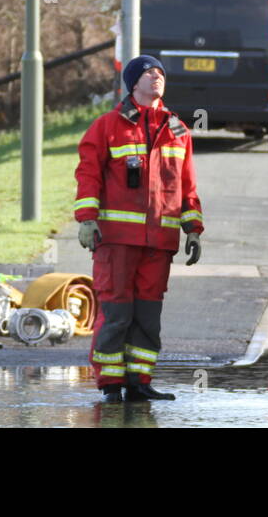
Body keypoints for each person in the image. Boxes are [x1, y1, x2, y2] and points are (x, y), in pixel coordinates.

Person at [73, 55, 204, 403]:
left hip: (159, 242)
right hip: (116, 240)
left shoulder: (178, 129)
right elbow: (88, 175)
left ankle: (139, 382)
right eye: (148, 72)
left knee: (148, 316)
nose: (156, 76)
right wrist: (87, 219)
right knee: (116, 313)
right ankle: (110, 385)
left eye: (160, 72)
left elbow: (186, 185)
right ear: (133, 83)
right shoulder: (107, 126)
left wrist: (193, 228)